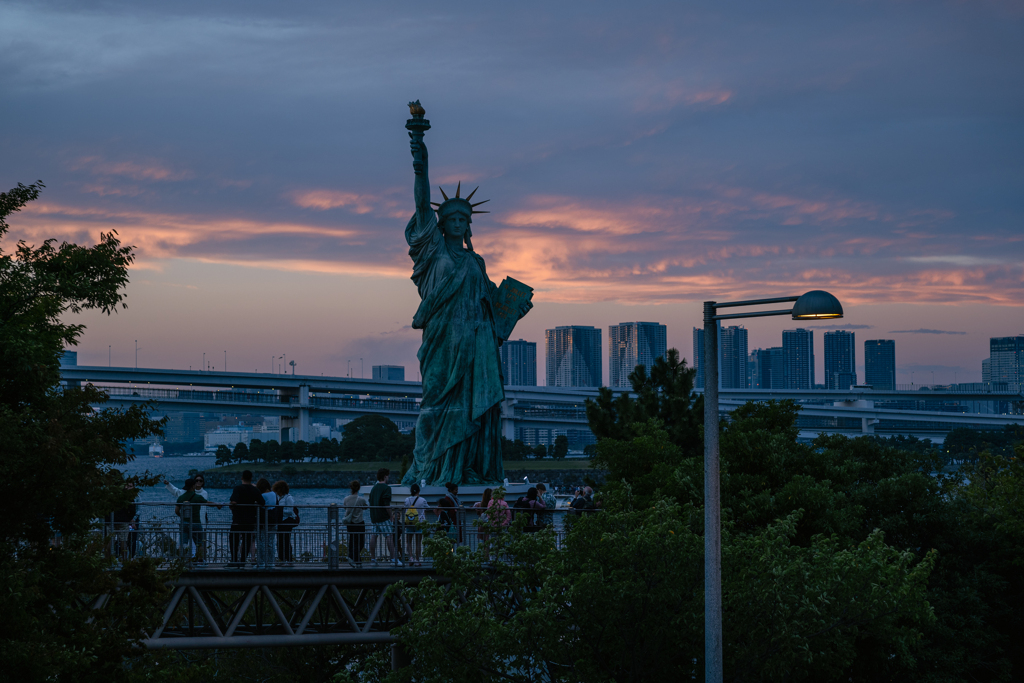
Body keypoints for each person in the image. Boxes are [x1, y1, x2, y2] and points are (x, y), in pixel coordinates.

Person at [400, 122, 533, 488]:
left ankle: (469, 468)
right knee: (437, 407)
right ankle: (434, 469)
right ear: (440, 223)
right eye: (451, 218)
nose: (457, 222)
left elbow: (493, 309)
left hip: (477, 346)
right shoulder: (433, 250)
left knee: (478, 408)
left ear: (470, 224)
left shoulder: (476, 263)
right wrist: (419, 151)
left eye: (464, 218)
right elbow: (421, 197)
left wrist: (513, 311)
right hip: (443, 341)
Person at [228, 470, 264, 567]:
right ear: (251, 478)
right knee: (247, 540)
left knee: (233, 539)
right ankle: (243, 560)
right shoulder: (255, 490)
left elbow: (234, 501)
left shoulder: (238, 488)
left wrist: (231, 506)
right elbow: (262, 502)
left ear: (242, 478)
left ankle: (234, 560)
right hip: (250, 519)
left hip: (237, 519)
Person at [368, 468, 401, 566]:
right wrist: (391, 515)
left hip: (374, 516)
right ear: (385, 476)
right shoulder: (386, 488)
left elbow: (370, 501)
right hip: (383, 517)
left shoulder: (374, 488)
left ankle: (373, 559)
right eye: (388, 476)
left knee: (374, 536)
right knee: (389, 536)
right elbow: (386, 504)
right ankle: (393, 559)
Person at [176, 478, 208, 563]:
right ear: (193, 486)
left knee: (183, 542)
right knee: (199, 543)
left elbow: (176, 511)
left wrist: (182, 517)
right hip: (196, 522)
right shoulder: (198, 497)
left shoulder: (181, 497)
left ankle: (182, 560)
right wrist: (218, 505)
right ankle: (200, 560)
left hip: (185, 523)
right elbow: (207, 503)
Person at [342, 480, 369, 566]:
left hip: (350, 523)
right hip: (359, 522)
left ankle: (355, 559)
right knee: (360, 542)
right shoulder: (361, 500)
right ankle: (354, 558)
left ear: (351, 488)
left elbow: (345, 508)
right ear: (359, 488)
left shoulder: (346, 499)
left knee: (352, 540)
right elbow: (366, 507)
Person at [109, 481, 138, 560]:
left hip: (111, 520)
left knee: (109, 540)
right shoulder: (126, 494)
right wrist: (128, 518)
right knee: (123, 541)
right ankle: (125, 560)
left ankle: (107, 560)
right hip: (123, 521)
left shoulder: (110, 494)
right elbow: (132, 508)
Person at [403, 483, 429, 566]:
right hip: (419, 523)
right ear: (419, 491)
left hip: (409, 523)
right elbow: (428, 508)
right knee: (418, 543)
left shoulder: (407, 500)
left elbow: (405, 510)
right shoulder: (422, 500)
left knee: (408, 542)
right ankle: (417, 560)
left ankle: (411, 557)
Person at [272, 480, 298, 564]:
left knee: (286, 540)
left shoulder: (288, 498)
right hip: (280, 521)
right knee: (279, 540)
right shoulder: (279, 497)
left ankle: (289, 558)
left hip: (287, 521)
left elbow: (290, 510)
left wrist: (280, 510)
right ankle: (282, 558)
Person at [256, 479, 279, 566]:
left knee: (261, 542)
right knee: (271, 543)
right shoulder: (274, 495)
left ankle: (261, 562)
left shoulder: (263, 496)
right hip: (273, 522)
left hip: (263, 522)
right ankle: (271, 562)